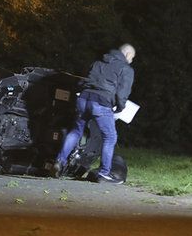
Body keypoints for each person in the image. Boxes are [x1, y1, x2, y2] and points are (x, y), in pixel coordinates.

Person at [52, 44, 136, 183]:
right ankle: (103, 173)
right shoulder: (126, 69)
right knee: (110, 137)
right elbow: (123, 92)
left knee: (76, 131)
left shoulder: (97, 62)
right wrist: (120, 107)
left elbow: (84, 80)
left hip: (83, 99)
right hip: (101, 103)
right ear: (127, 55)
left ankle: (59, 162)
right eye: (132, 57)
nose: (131, 60)